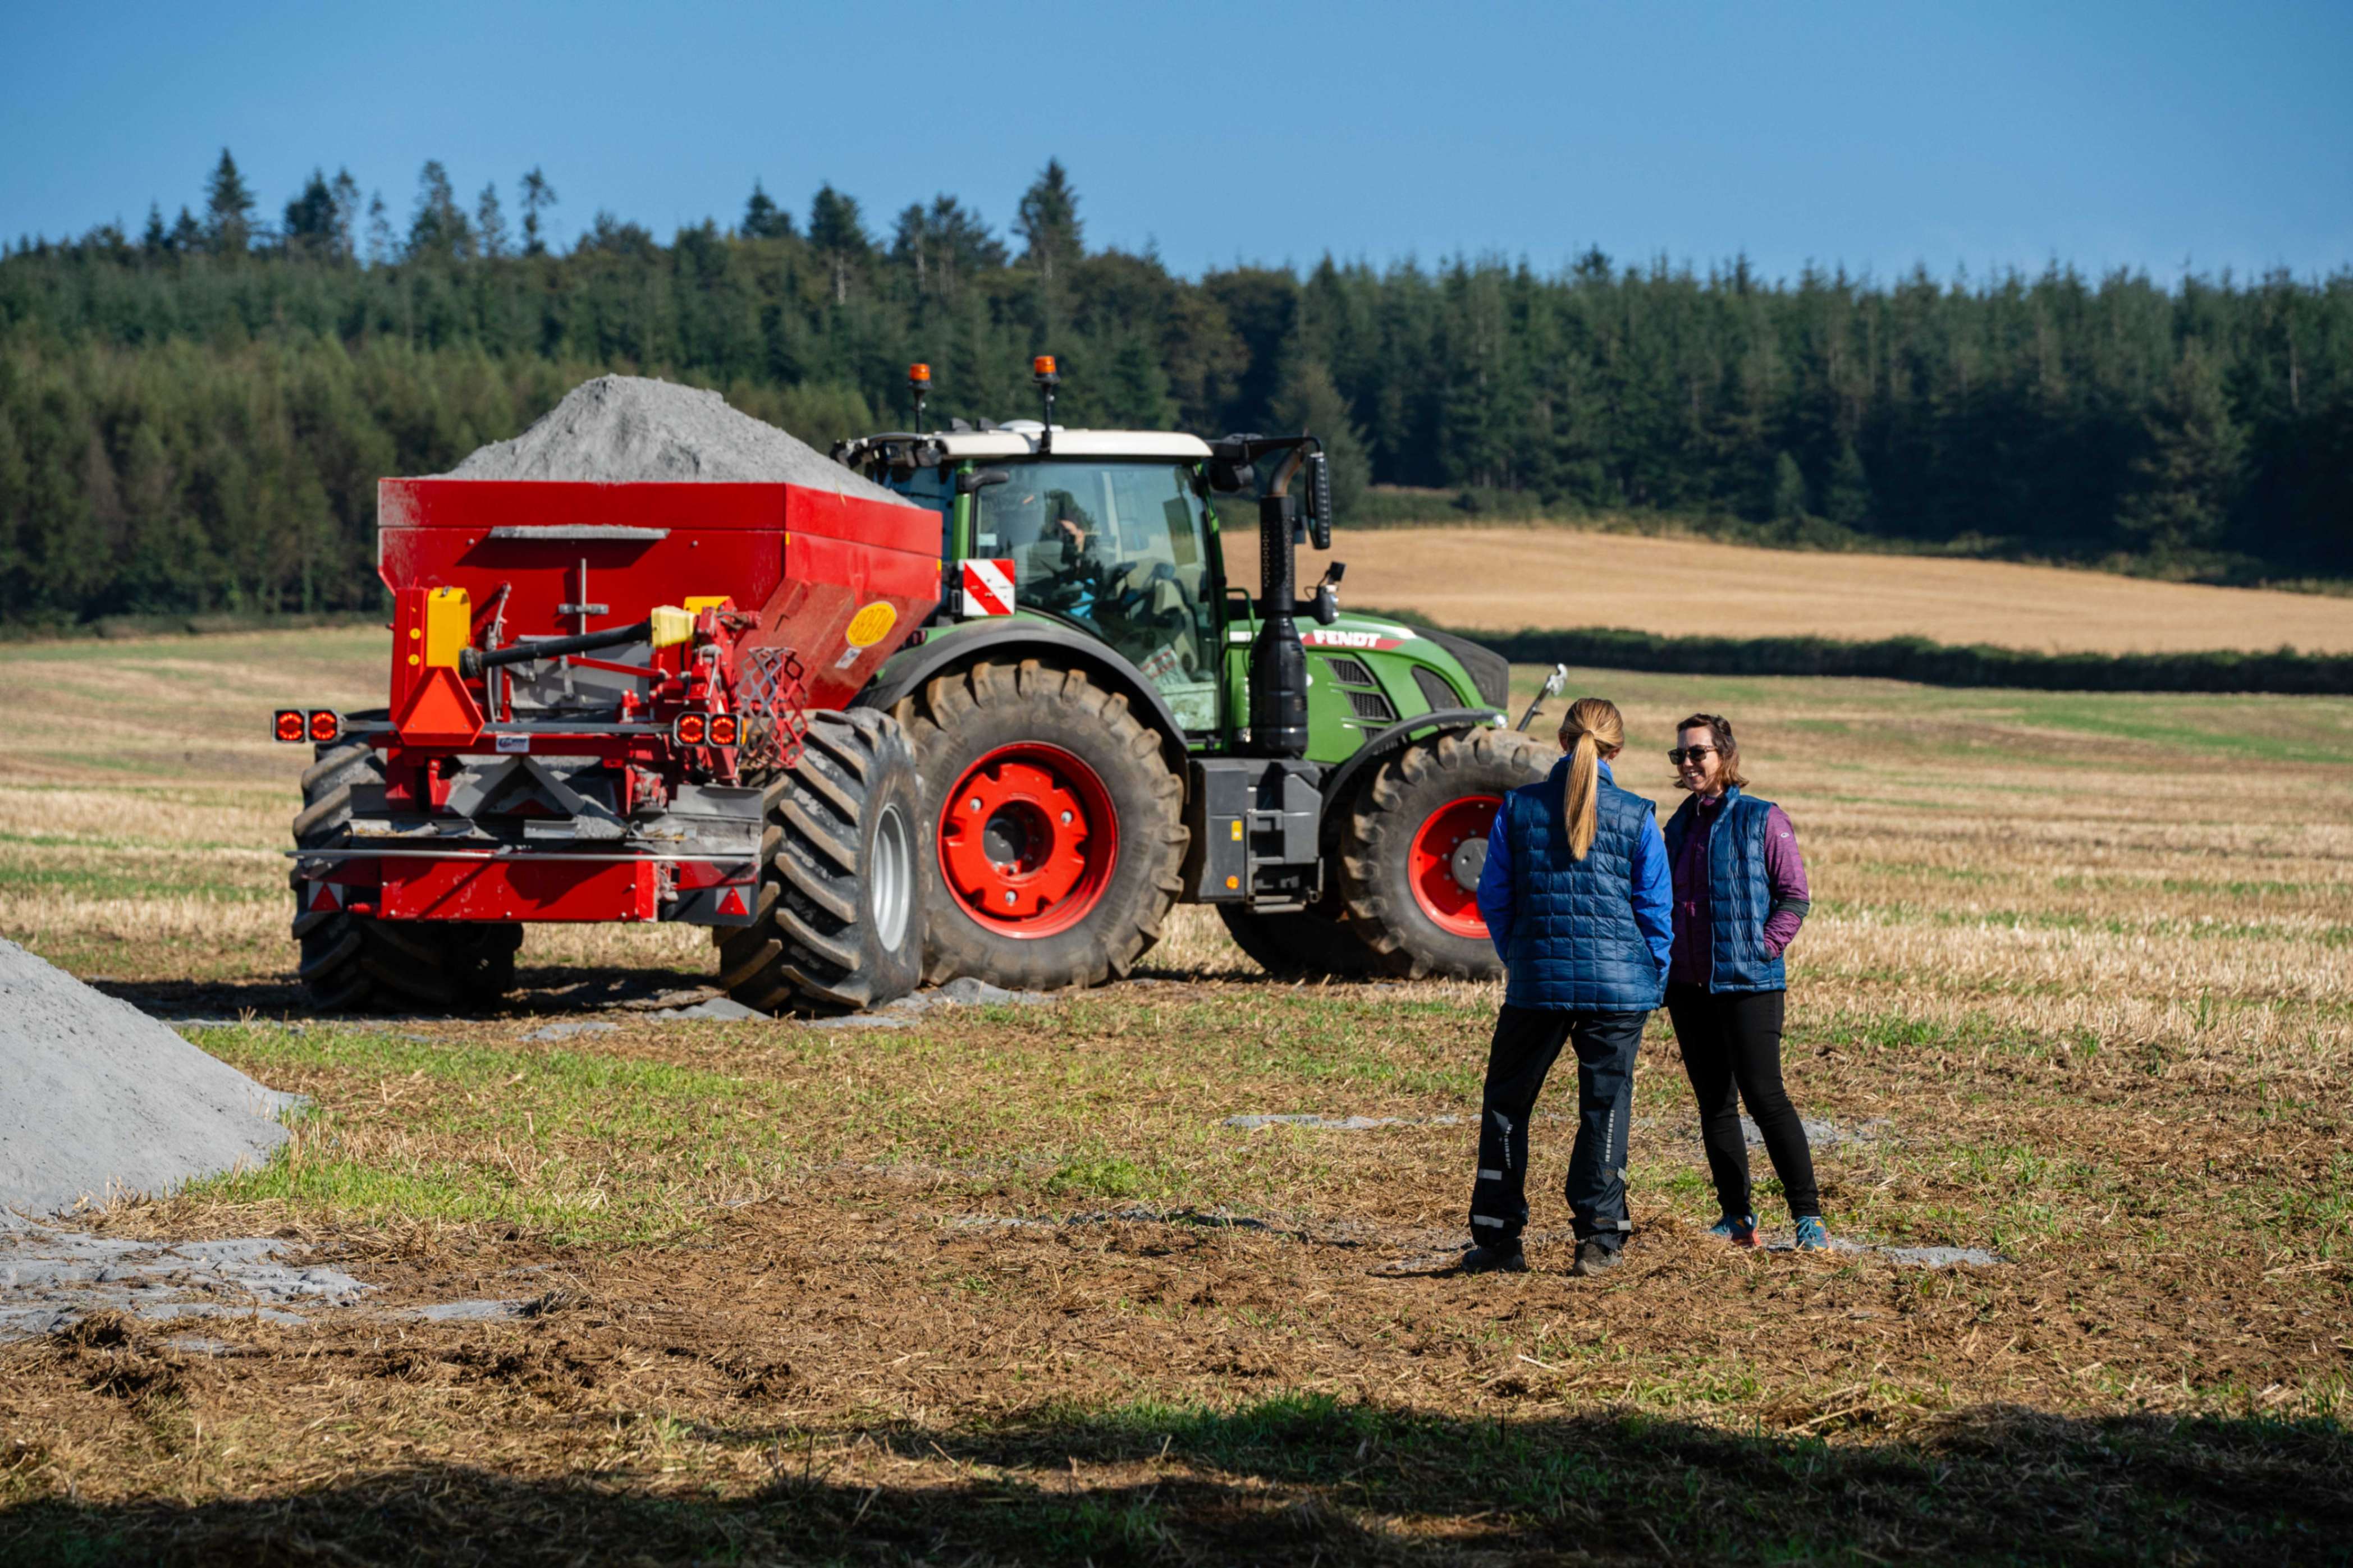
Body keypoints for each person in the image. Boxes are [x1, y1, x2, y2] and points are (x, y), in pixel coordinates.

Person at [1464, 697, 1673, 1277]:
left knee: (1508, 1105)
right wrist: (1650, 977)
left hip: (1537, 982)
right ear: (1617, 750)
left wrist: (1521, 956)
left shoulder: (1518, 808)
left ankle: (1500, 1239)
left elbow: (1495, 898)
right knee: (1604, 1111)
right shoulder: (1637, 814)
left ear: (1560, 741)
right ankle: (1598, 1241)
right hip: (1619, 988)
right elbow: (1655, 909)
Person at [1660, 713, 1828, 1251]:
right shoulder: (1678, 825)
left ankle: (1808, 1218)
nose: (1688, 764)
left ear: (1725, 756)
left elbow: (1794, 897)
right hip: (1689, 987)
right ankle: (1737, 1217)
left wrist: (1764, 948)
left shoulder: (1763, 819)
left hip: (1750, 985)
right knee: (1714, 1103)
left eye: (1698, 754)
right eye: (1680, 755)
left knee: (1765, 1096)